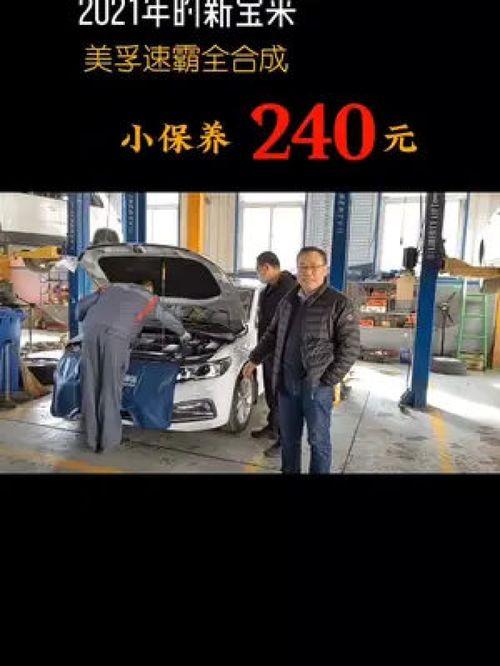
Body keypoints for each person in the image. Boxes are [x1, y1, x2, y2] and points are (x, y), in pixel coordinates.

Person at [243, 247, 360, 474]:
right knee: (289, 439)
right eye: (303, 267)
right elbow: (272, 334)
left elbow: (351, 348)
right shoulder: (288, 301)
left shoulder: (339, 303)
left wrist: (328, 380)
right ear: (297, 270)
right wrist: (254, 358)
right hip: (287, 384)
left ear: (325, 270)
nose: (308, 272)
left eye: (314, 267)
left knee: (318, 440)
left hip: (316, 387)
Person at [76, 279, 190, 453]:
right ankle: (108, 442)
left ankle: (91, 440)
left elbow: (80, 309)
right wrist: (183, 333)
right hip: (115, 338)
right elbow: (166, 317)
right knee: (110, 389)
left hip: (89, 334)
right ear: (149, 288)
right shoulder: (149, 297)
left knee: (90, 387)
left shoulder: (110, 289)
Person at [252, 251, 296, 458]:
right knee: (271, 391)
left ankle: (283, 441)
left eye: (258, 270)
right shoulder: (268, 289)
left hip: (284, 352)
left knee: (282, 396)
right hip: (269, 350)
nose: (258, 273)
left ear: (266, 267)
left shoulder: (291, 289)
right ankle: (273, 426)